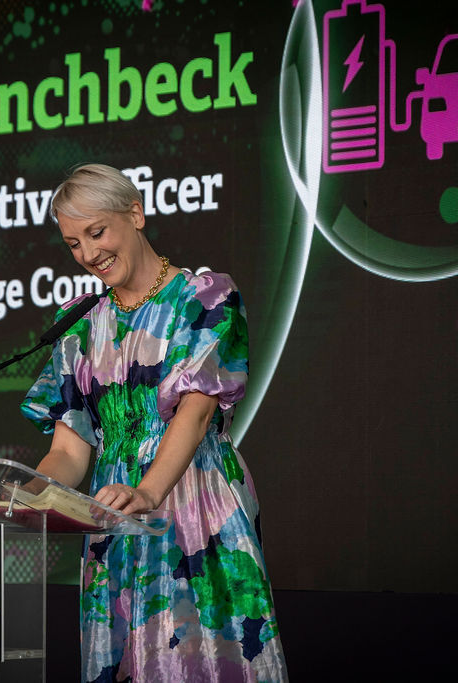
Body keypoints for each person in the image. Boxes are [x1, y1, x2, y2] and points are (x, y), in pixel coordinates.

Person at [21, 163, 288, 682]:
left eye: (97, 232)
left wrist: (147, 492)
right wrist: (26, 493)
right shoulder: (79, 323)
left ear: (136, 214)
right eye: (74, 243)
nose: (88, 254)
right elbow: (70, 450)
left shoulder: (205, 297)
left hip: (195, 505)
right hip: (114, 513)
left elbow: (197, 412)